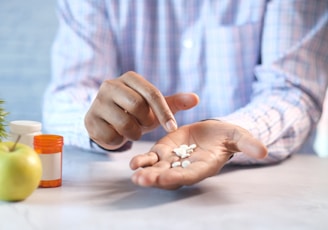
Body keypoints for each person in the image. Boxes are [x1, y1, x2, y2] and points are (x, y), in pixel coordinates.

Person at [43, 0, 328, 189]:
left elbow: (293, 92)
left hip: (271, 192)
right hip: (126, 184)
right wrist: (98, 120)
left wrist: (237, 133)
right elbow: (67, 92)